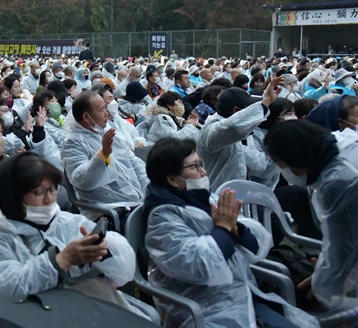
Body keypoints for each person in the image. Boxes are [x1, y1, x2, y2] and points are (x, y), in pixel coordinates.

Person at [143, 138, 317, 328]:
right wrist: (224, 229)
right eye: (195, 167)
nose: (204, 171)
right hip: (205, 310)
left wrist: (237, 231)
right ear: (172, 179)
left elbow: (255, 247)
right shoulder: (163, 216)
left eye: (201, 164)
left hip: (241, 297)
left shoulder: (204, 198)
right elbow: (197, 265)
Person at [0, 152, 136, 311]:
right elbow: (4, 294)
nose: (50, 199)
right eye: (38, 192)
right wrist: (59, 261)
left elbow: (123, 273)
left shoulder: (70, 223)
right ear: (13, 198)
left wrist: (103, 251)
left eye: (53, 189)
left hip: (85, 309)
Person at [264, 120, 358, 309]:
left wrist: (323, 285)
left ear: (296, 156)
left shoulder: (337, 181)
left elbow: (344, 245)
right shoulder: (342, 144)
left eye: (281, 164)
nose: (285, 171)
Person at [61, 91, 148, 222]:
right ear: (86, 117)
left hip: (136, 202)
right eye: (102, 109)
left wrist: (150, 190)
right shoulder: (73, 144)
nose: (107, 113)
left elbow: (134, 163)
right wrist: (103, 155)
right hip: (109, 211)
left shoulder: (108, 132)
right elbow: (83, 180)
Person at [197, 77, 281, 191]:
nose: (252, 113)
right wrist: (266, 102)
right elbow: (232, 127)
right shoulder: (211, 130)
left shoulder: (245, 132)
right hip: (212, 196)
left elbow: (258, 165)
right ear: (236, 111)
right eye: (248, 109)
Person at [248, 98, 295, 190]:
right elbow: (261, 170)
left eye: (294, 113)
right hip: (258, 187)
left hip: (278, 181)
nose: (293, 117)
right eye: (288, 114)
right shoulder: (255, 135)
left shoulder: (283, 133)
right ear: (274, 117)